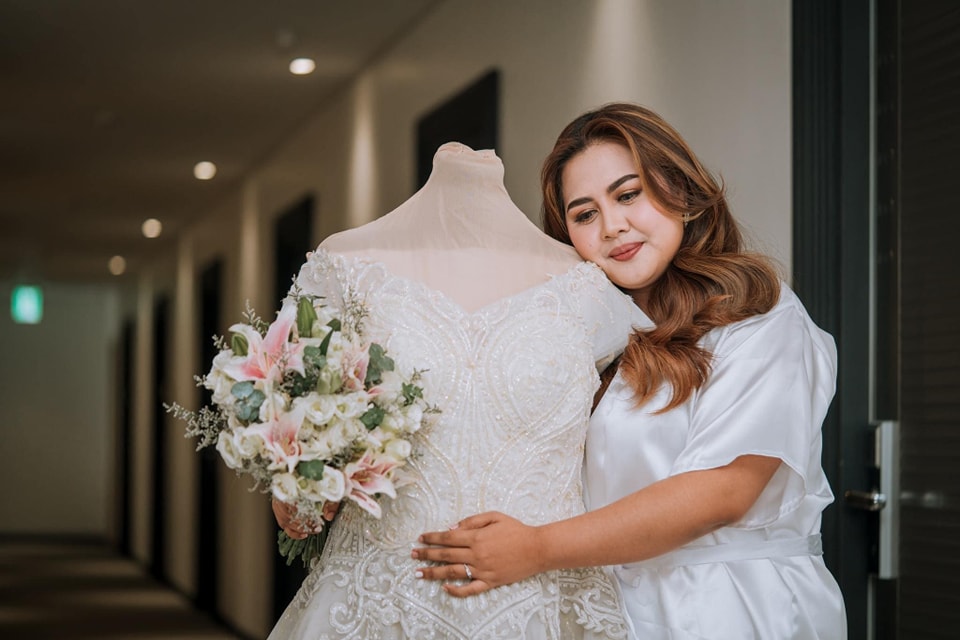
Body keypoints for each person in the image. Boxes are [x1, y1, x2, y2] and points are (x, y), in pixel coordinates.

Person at [413, 104, 848, 639]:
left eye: (627, 194)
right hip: (610, 608)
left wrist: (538, 547)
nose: (612, 226)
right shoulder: (583, 337)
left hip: (734, 606)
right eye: (584, 214)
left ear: (680, 190)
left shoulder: (759, 313)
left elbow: (723, 490)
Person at [267, 142, 650, 639]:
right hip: (380, 600)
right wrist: (302, 486)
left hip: (544, 598)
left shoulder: (588, 290)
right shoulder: (345, 269)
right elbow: (298, 431)